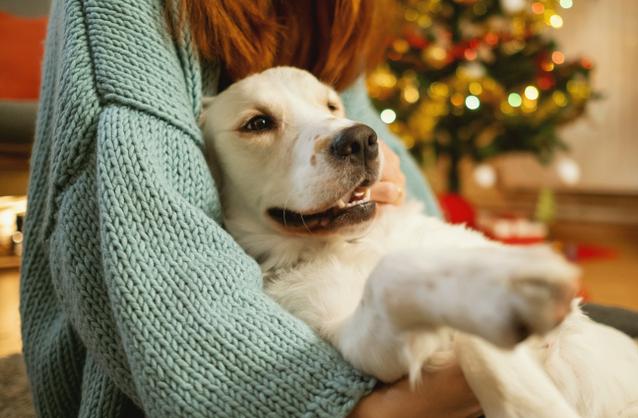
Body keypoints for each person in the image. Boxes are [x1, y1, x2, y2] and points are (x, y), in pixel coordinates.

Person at [21, 0, 481, 416]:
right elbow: (150, 261)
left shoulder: (334, 13)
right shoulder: (116, 14)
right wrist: (380, 406)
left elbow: (367, 139)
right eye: (260, 123)